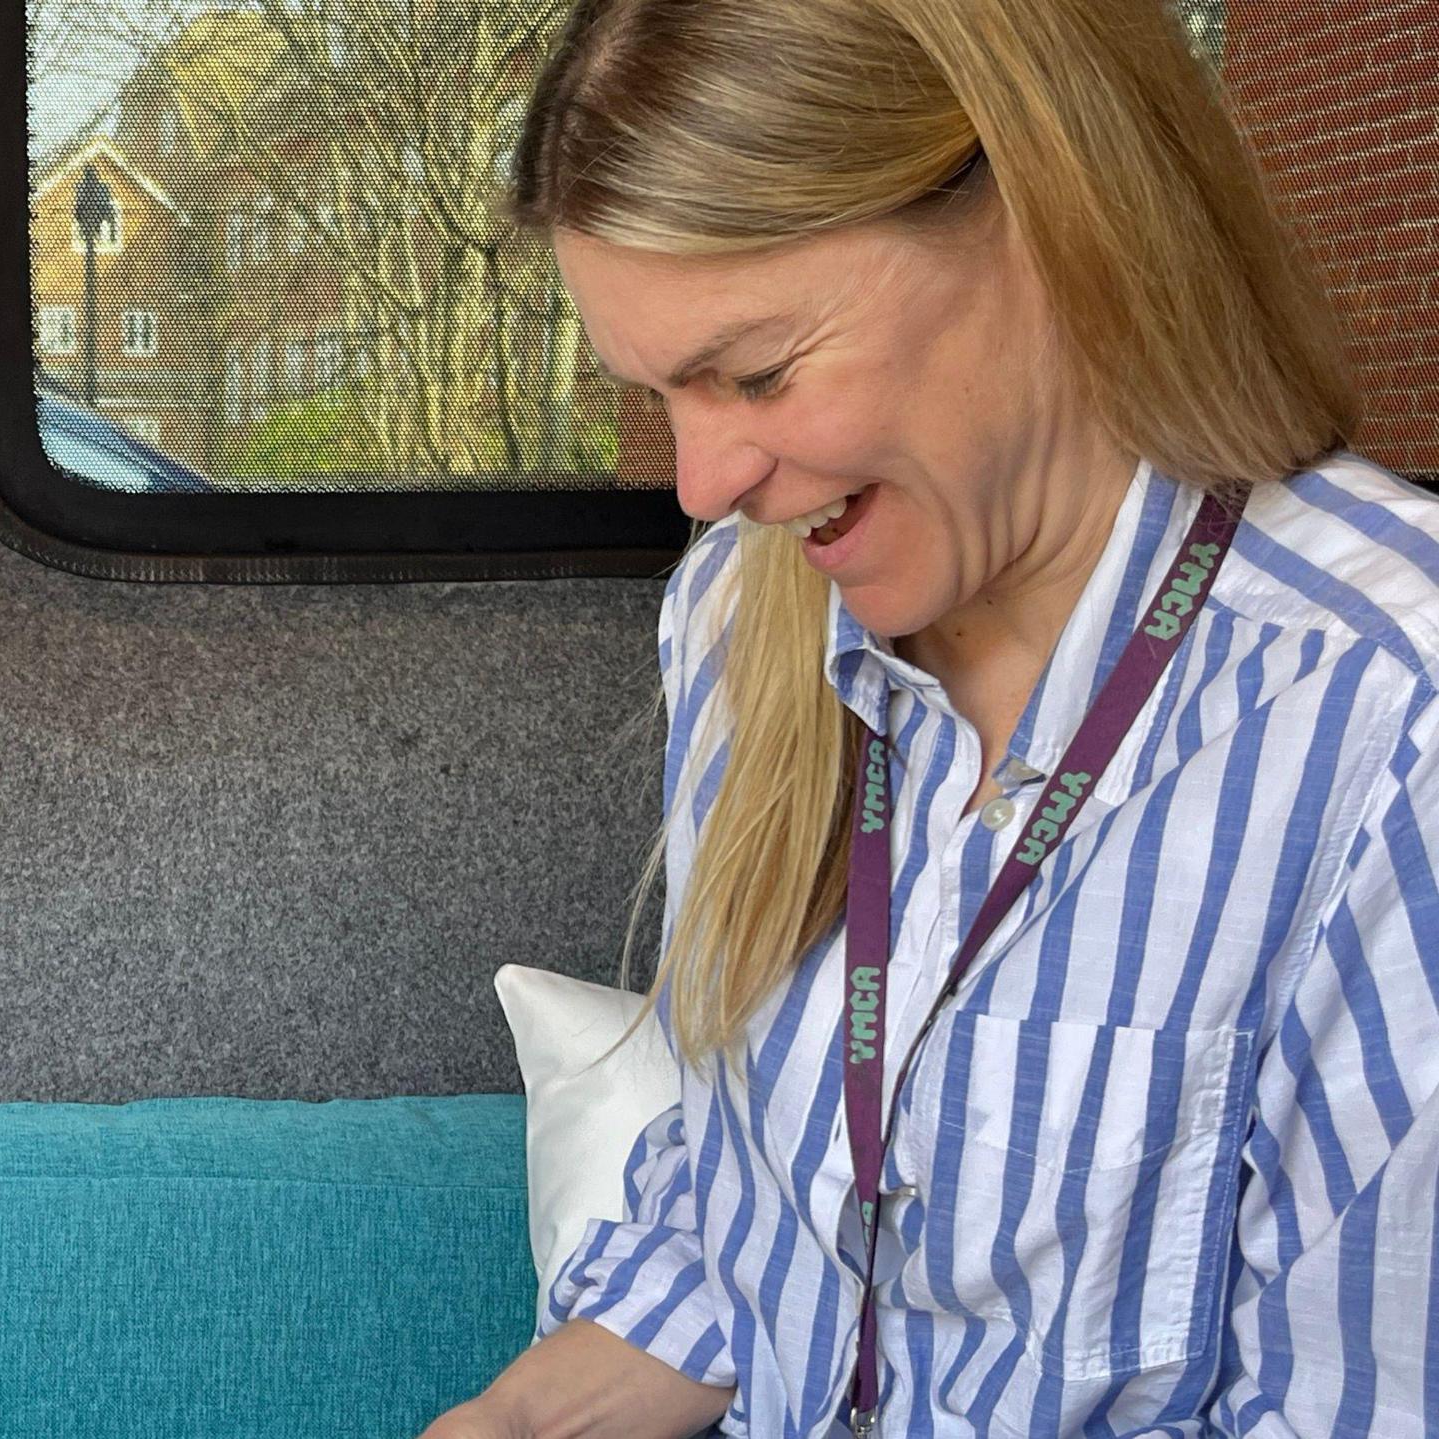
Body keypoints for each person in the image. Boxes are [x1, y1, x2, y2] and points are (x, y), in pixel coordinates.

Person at [426, 0, 1433, 1434]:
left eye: (759, 374)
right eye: (658, 395)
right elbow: (745, 1239)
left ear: (1052, 219)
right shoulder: (736, 614)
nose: (703, 483)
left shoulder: (1390, 722)